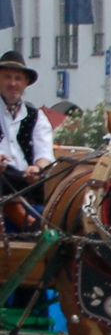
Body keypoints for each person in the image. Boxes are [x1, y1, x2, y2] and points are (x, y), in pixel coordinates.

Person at [0, 50, 54, 229]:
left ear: (25, 84)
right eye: (7, 77)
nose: (13, 83)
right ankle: (29, 224)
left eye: (18, 78)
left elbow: (45, 155)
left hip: (26, 184)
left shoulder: (36, 116)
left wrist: (37, 168)